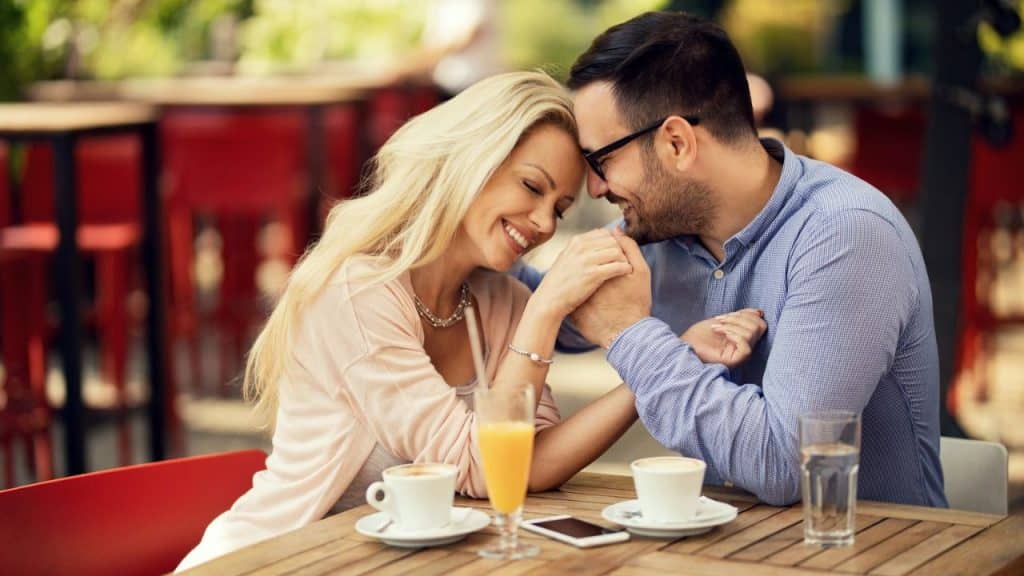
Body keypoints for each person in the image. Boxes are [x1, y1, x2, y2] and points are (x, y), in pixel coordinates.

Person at [177, 71, 764, 571]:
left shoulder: (499, 301)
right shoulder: (358, 294)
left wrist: (663, 365)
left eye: (559, 208)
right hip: (275, 559)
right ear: (471, 159)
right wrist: (546, 310)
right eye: (531, 186)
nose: (541, 223)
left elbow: (524, 466)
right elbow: (479, 469)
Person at [516, 12, 946, 508]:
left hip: (875, 552)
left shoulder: (844, 234)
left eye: (601, 160)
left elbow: (786, 465)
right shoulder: (657, 234)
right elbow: (533, 308)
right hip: (716, 546)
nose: (593, 187)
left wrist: (628, 336)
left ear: (677, 143)